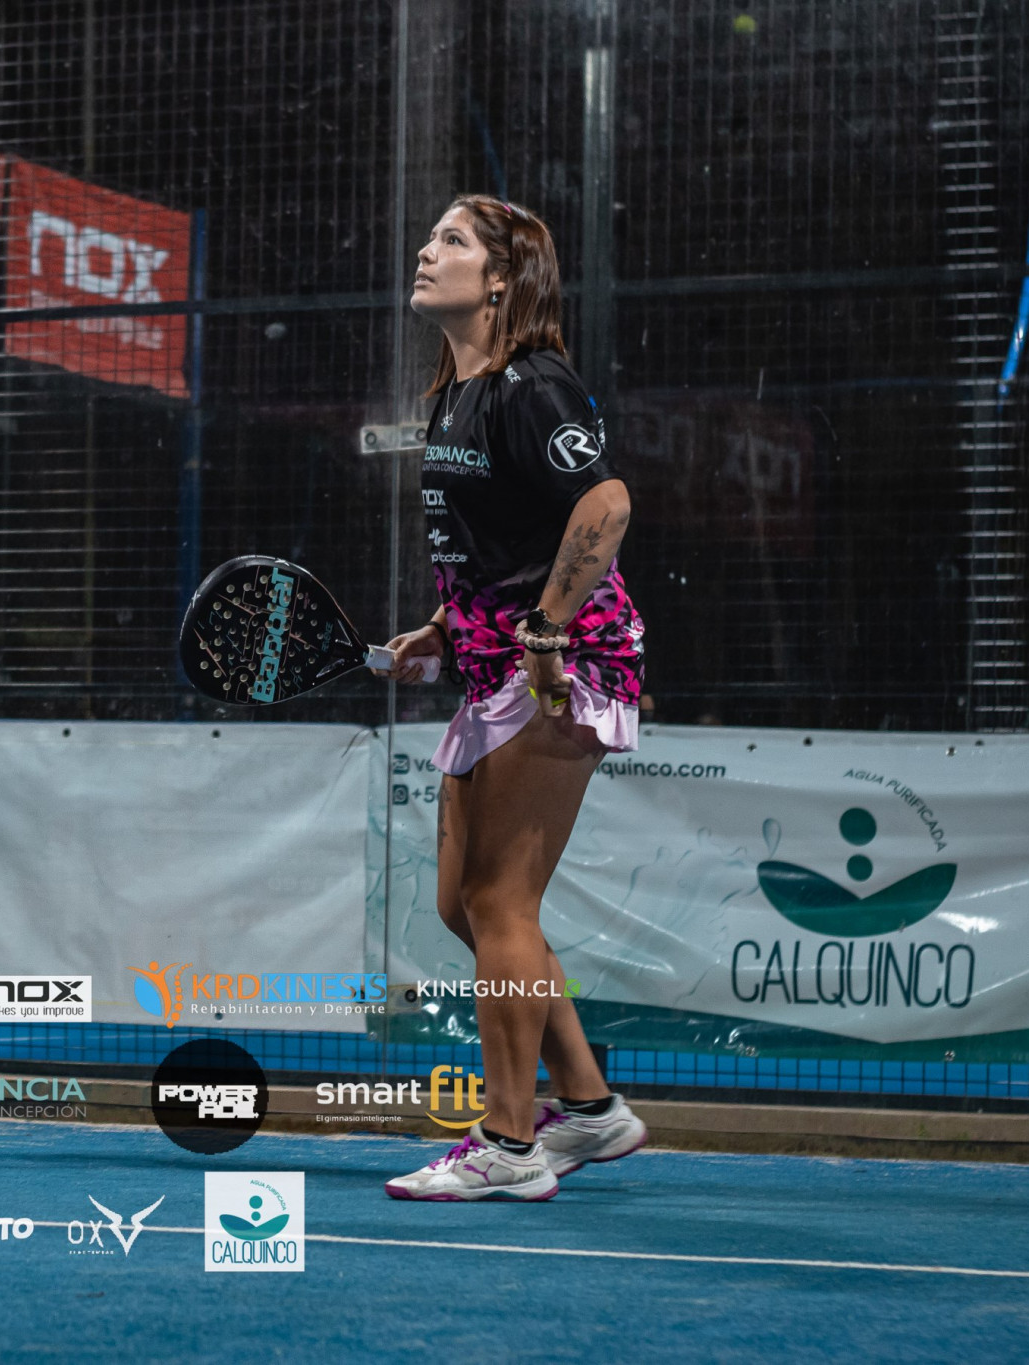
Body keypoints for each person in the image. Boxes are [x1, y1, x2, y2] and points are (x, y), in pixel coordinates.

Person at [377, 196, 649, 1201]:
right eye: (430, 234)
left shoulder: (532, 385)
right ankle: (589, 1107)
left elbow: (602, 504)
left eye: (450, 239)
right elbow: (502, 538)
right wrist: (441, 625)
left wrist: (544, 629)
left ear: (500, 279)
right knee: (464, 903)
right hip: (491, 657)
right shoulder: (455, 392)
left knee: (500, 900)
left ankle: (508, 1142)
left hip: (562, 665)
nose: (426, 249)